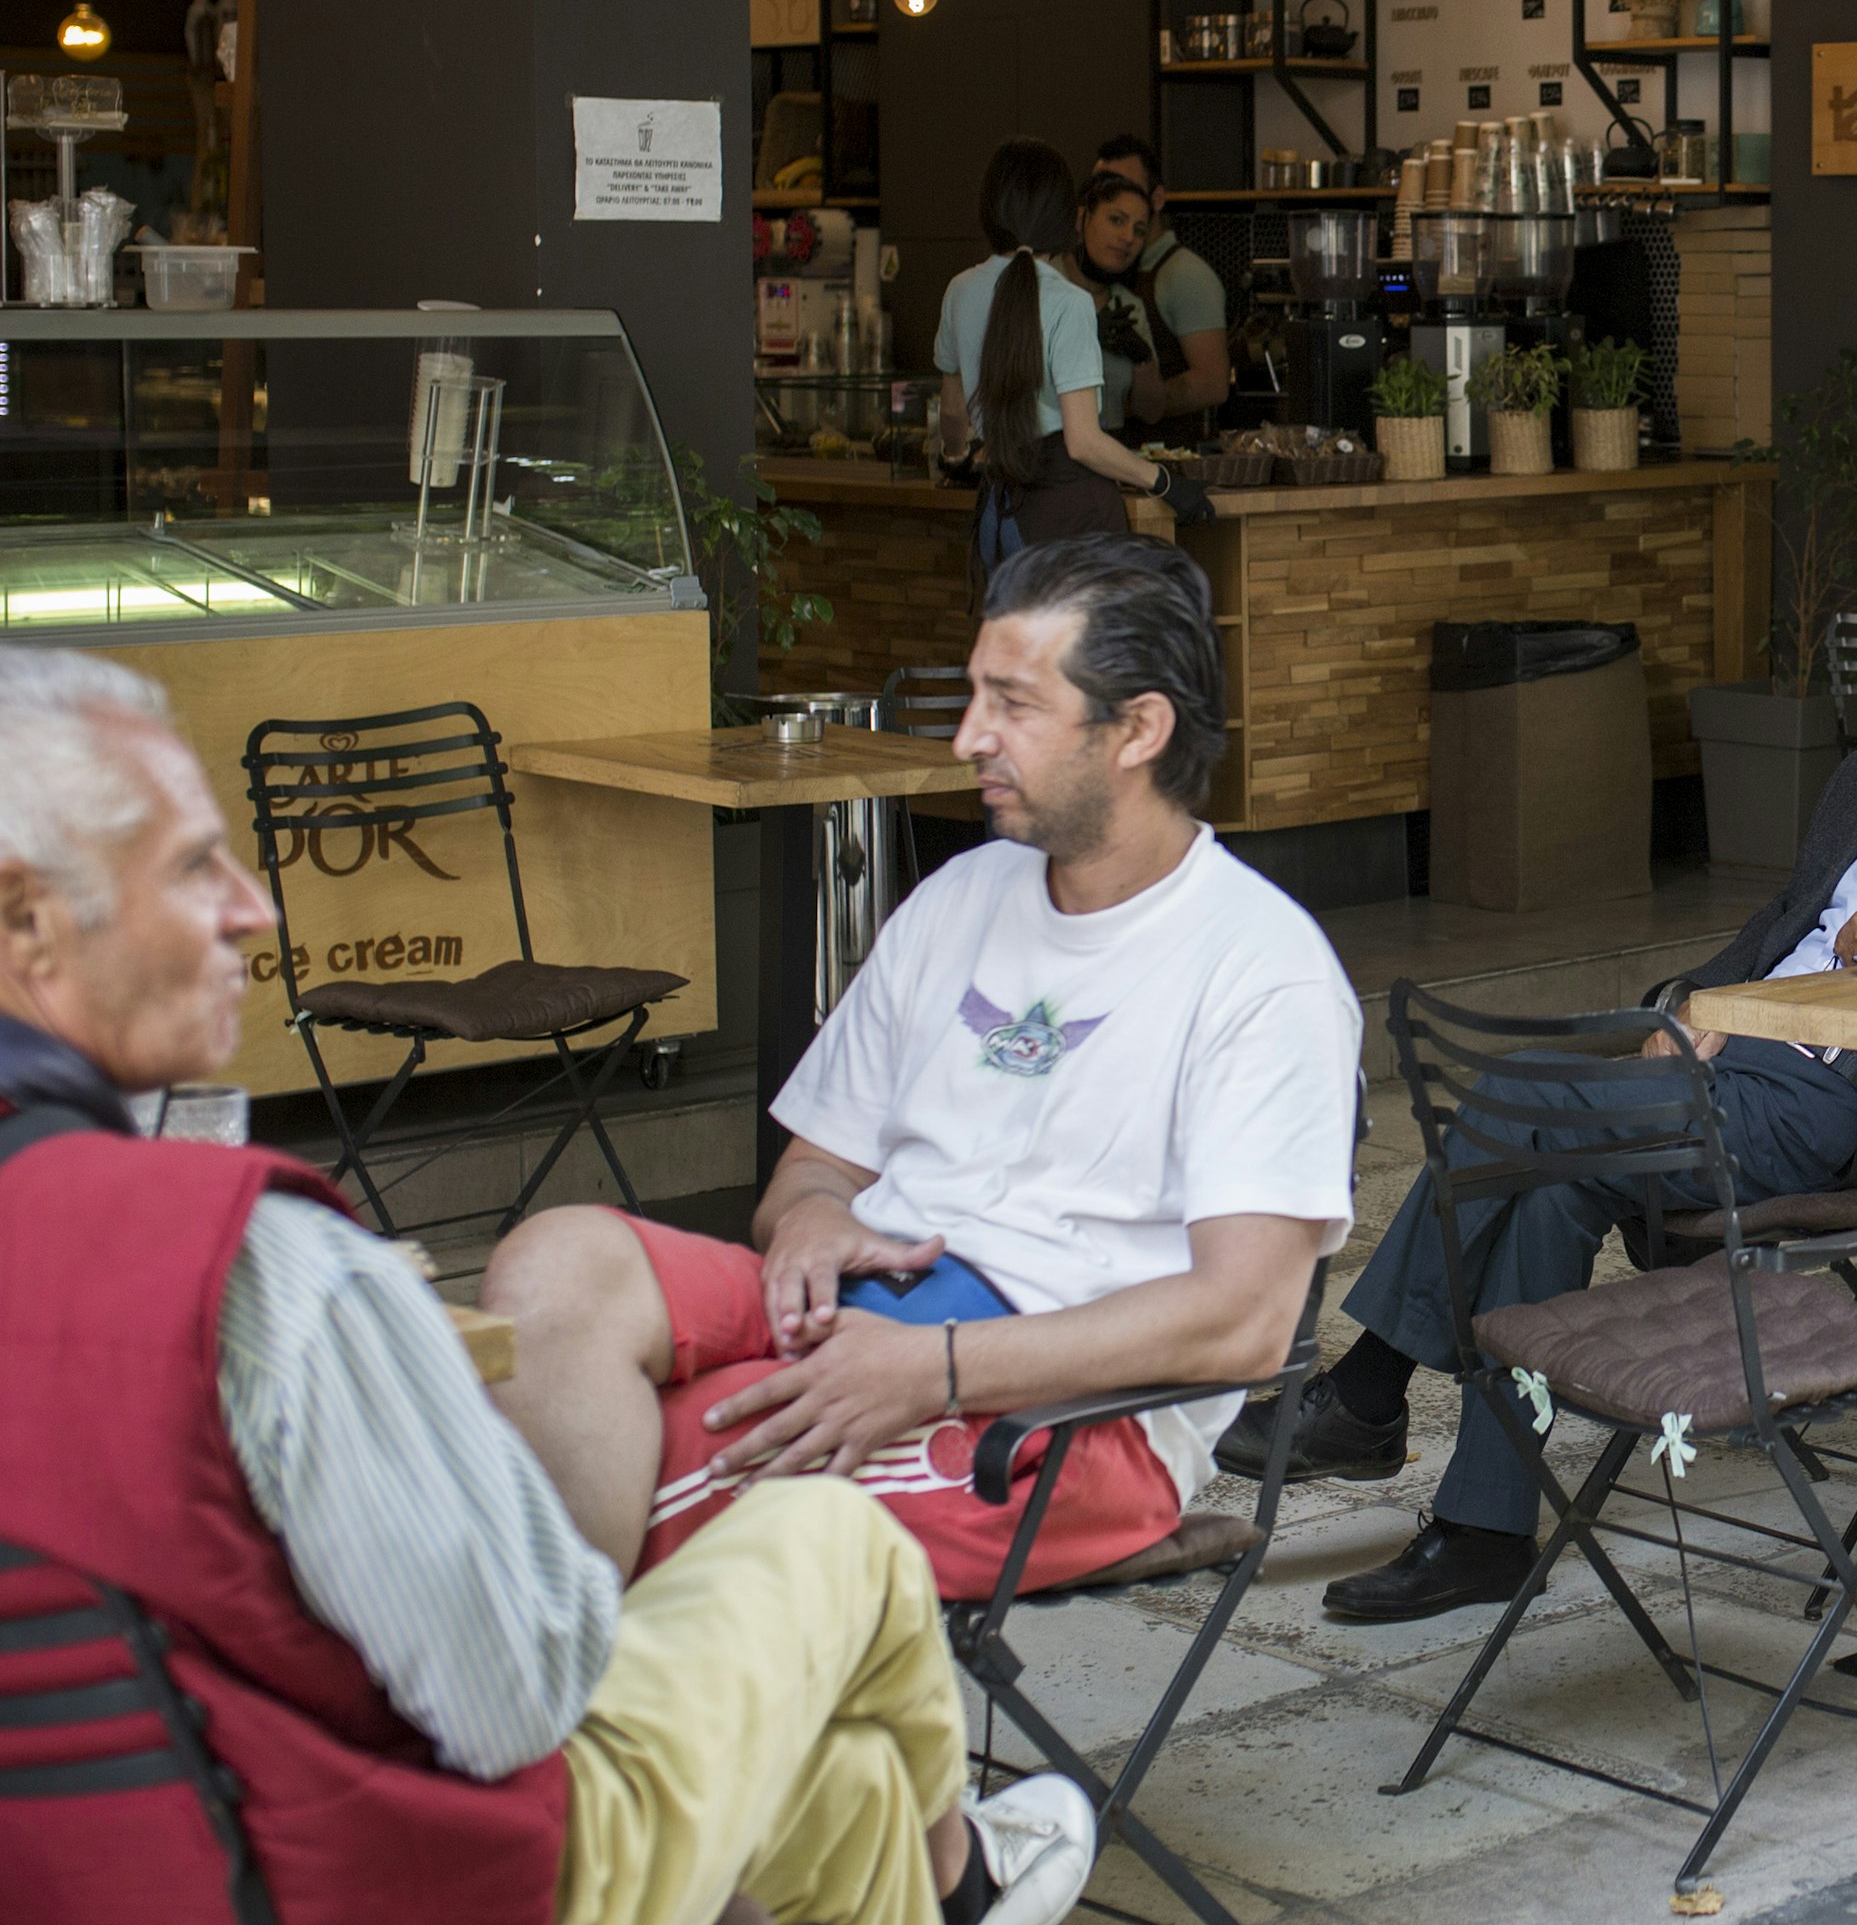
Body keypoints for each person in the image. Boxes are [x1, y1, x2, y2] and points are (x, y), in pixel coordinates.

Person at [0, 647, 1096, 1925]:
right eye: (196, 866)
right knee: (825, 1540)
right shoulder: (251, 1268)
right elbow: (516, 1691)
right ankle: (967, 1884)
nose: (258, 910)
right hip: (385, 1877)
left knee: (838, 1774)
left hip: (106, 1857)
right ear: (25, 920)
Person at [1242, 540, 1857, 1624]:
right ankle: (1483, 1527)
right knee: (1548, 1190)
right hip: (1739, 1057)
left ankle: (1365, 1390)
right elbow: (1779, 927)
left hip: (1854, 1097)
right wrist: (1689, 1005)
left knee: (1514, 1099)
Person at [481, 538, 1361, 1601]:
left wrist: (937, 1365)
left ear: (1137, 728)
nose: (966, 737)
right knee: (556, 1263)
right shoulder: (960, 895)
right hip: (878, 1306)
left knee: (603, 1465)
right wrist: (806, 1219)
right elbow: (814, 1167)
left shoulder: (1262, 969)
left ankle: (557, 1733)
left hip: (1072, 1418)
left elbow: (1244, 1323)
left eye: (1012, 704)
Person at [934, 138, 1206, 584]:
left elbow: (952, 411)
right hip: (1070, 519)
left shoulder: (960, 290)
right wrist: (1164, 482)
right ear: (1068, 219)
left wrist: (955, 456)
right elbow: (1082, 441)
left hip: (1003, 514)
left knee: (1017, 652)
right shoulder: (1070, 302)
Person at [1091, 134, 1235, 428]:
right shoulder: (1092, 275)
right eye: (1102, 192)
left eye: (1125, 188)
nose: (1116, 201)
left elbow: (1211, 383)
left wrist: (1115, 407)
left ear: (1156, 199)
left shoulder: (1185, 275)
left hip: (1165, 457)